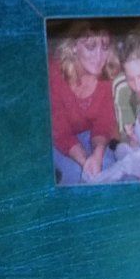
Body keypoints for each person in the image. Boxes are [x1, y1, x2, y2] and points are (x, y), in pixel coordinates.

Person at [48, 20, 122, 184]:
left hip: (87, 134)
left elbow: (103, 123)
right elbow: (60, 132)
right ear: (74, 46)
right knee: (77, 173)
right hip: (52, 138)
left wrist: (97, 154)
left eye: (104, 47)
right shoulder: (54, 73)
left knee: (109, 167)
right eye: (90, 47)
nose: (99, 57)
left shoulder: (108, 74)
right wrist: (85, 161)